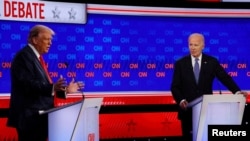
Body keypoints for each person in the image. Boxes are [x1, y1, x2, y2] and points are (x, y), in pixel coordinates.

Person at [7, 24, 84, 141]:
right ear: (35, 39)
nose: (50, 43)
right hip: (30, 119)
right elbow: (28, 85)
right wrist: (53, 87)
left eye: (51, 40)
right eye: (47, 39)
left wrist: (66, 90)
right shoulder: (24, 57)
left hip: (39, 118)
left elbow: (43, 90)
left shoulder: (36, 58)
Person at [170, 33, 248, 141]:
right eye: (190, 45)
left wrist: (237, 92)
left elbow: (224, 78)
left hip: (206, 110)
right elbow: (175, 87)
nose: (192, 48)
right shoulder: (180, 63)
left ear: (203, 46)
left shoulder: (212, 62)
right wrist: (181, 100)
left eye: (196, 45)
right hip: (187, 111)